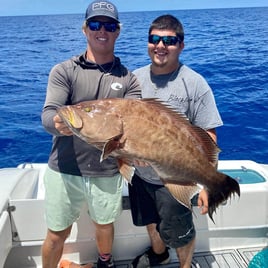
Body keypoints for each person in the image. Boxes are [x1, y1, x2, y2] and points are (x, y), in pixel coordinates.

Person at [41, 1, 141, 268]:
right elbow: (49, 113)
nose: (102, 31)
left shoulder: (129, 79)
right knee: (56, 232)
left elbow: (135, 126)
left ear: (118, 31)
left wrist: (140, 151)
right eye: (95, 24)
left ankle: (105, 262)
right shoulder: (65, 71)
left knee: (104, 225)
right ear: (85, 29)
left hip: (107, 170)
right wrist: (57, 123)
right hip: (64, 169)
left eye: (109, 25)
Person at [128, 14, 223, 268]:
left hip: (175, 179)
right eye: (155, 39)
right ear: (148, 42)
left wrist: (207, 184)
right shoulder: (133, 80)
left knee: (180, 232)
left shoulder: (195, 84)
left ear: (181, 45)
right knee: (149, 222)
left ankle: (185, 265)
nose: (160, 46)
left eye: (169, 41)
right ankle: (158, 255)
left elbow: (209, 137)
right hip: (141, 176)